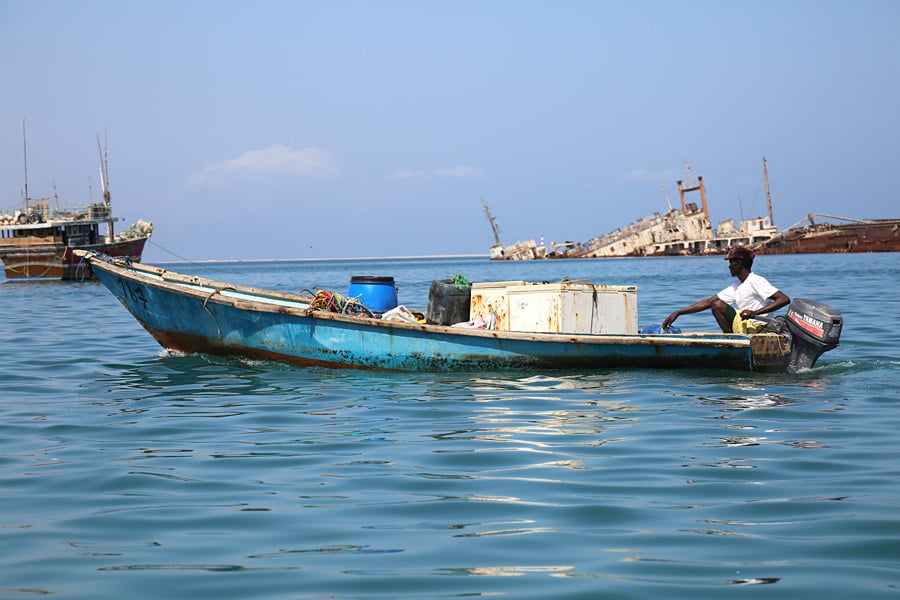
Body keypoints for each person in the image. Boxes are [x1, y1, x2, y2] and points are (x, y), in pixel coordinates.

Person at [661, 246, 790, 334]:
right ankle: (731, 339)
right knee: (715, 303)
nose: (729, 267)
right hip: (745, 325)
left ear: (739, 262)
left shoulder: (756, 281)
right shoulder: (737, 285)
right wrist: (678, 312)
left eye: (731, 262)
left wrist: (755, 312)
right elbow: (708, 302)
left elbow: (784, 299)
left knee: (717, 305)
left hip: (760, 327)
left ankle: (731, 339)